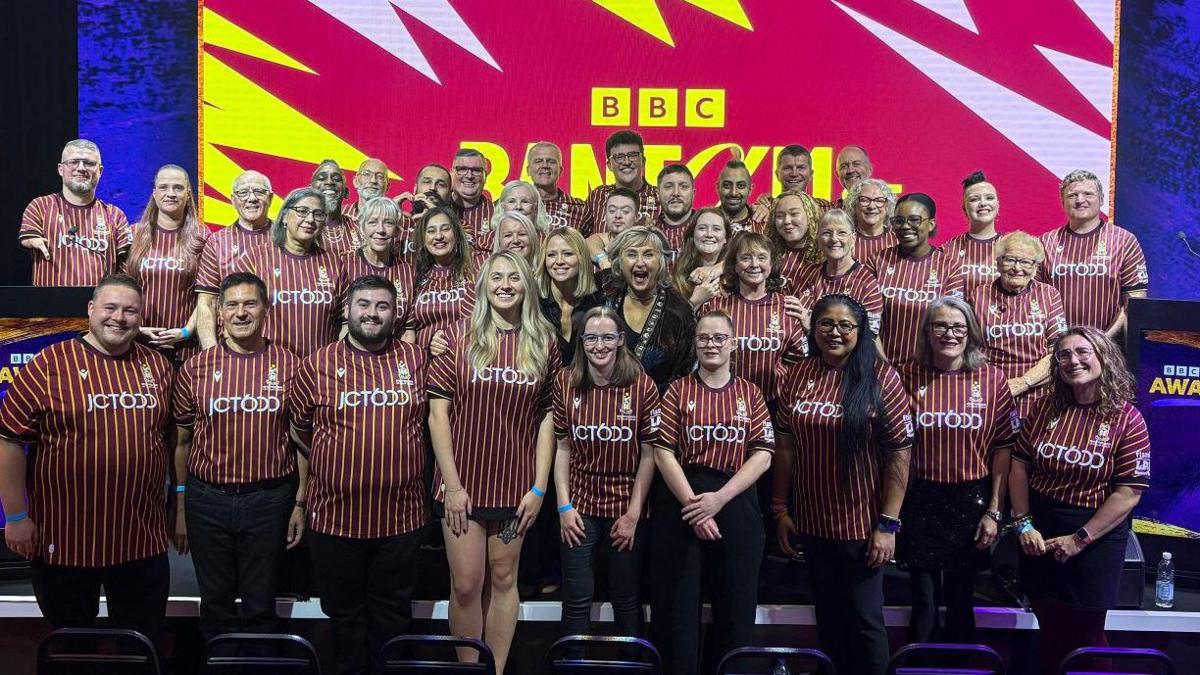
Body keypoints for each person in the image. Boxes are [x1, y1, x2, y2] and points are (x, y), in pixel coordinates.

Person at [0, 274, 174, 640]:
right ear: (91, 310)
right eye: (110, 307)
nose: (119, 318)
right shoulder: (49, 363)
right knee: (72, 647)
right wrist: (15, 516)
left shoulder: (157, 367)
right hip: (64, 542)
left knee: (141, 647)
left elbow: (171, 440)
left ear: (140, 317)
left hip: (139, 541)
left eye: (130, 310)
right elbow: (8, 440)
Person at [291, 275, 432, 675]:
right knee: (345, 622)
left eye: (382, 306)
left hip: (401, 519)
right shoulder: (317, 364)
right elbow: (300, 428)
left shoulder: (416, 359)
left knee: (392, 621)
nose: (372, 313)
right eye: (364, 305)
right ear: (347, 311)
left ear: (396, 313)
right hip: (334, 520)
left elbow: (432, 423)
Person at [428, 251, 558, 674]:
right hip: (462, 483)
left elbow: (548, 419)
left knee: (504, 582)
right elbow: (438, 414)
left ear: (526, 285)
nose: (505, 284)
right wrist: (452, 485)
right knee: (466, 586)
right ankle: (469, 668)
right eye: (496, 276)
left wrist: (539, 487)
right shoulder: (458, 335)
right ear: (483, 283)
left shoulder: (545, 341)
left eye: (514, 277)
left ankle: (497, 669)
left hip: (515, 486)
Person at [772, 294, 913, 675]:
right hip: (812, 522)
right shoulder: (799, 373)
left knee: (865, 622)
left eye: (845, 326)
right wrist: (781, 509)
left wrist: (887, 525)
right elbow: (784, 444)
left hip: (861, 527)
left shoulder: (882, 377)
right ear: (813, 328)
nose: (835, 333)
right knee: (829, 619)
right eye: (826, 324)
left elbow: (900, 454)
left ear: (860, 331)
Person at [171, 272, 304, 641]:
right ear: (219, 313)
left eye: (250, 303)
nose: (241, 312)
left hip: (268, 500)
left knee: (261, 607)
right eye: (232, 304)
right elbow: (181, 441)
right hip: (207, 501)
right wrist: (181, 505)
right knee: (215, 607)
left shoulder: (291, 365)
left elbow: (302, 442)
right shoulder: (196, 368)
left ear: (266, 310)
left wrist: (300, 502)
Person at [1011, 327, 1151, 674]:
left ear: (1103, 356)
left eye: (1082, 351)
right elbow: (1018, 466)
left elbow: (1128, 493)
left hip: (1094, 539)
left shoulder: (1127, 418)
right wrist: (1023, 523)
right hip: (1039, 534)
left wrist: (1080, 539)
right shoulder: (1045, 407)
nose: (1073, 360)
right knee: (1050, 627)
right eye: (1064, 355)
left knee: (1086, 635)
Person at [650, 310, 774, 675]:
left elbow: (763, 455)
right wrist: (695, 506)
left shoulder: (750, 393)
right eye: (704, 338)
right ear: (695, 344)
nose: (711, 344)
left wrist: (719, 500)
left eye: (719, 337)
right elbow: (663, 451)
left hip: (735, 500)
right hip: (683, 502)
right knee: (677, 610)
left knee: (736, 608)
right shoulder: (677, 390)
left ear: (733, 344)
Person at [896, 297, 1017, 645]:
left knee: (962, 601)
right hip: (919, 498)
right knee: (923, 602)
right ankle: (918, 669)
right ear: (926, 332)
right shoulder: (906, 374)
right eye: (940, 326)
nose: (949, 334)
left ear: (970, 332)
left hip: (972, 499)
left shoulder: (992, 378)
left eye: (958, 327)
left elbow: (1003, 449)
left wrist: (995, 510)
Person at [552, 306, 660, 646]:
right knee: (577, 600)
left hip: (626, 505)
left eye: (608, 337)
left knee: (626, 599)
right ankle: (572, 668)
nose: (600, 345)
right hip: (580, 506)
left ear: (620, 340)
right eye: (592, 338)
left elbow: (649, 456)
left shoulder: (643, 385)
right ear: (582, 342)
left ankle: (633, 666)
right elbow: (562, 449)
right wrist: (564, 508)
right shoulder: (565, 382)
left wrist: (632, 514)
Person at [235, 187, 347, 358]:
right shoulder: (254, 259)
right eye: (302, 211)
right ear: (285, 216)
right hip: (267, 367)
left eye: (318, 214)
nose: (310, 219)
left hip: (319, 370)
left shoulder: (335, 263)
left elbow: (345, 321)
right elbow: (234, 317)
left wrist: (332, 360)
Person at [1039, 169, 1148, 338]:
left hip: (1109, 346)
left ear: (1102, 199)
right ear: (1062, 201)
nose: (1080, 200)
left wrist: (1102, 341)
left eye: (1088, 194)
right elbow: (1033, 299)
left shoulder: (1125, 241)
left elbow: (1134, 303)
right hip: (1057, 347)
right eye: (1072, 195)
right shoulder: (1045, 242)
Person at [970, 232, 1068, 420]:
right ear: (998, 262)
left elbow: (1057, 353)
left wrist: (1023, 383)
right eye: (1010, 260)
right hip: (990, 392)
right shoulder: (978, 295)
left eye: (1025, 262)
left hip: (1037, 392)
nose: (1017, 268)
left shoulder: (1049, 295)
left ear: (1035, 267)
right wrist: (990, 385)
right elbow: (970, 350)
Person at [867, 193, 965, 364]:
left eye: (914, 220)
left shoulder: (950, 268)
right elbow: (866, 321)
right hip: (879, 367)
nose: (905, 226)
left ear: (931, 224)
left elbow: (952, 327)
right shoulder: (877, 261)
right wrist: (885, 368)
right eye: (898, 221)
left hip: (930, 370)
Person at [124, 164, 209, 364]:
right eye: (164, 187)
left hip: (186, 349)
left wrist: (186, 331)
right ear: (154, 193)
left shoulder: (203, 237)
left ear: (188, 194)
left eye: (178, 188)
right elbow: (120, 290)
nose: (171, 193)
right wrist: (136, 329)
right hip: (139, 346)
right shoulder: (133, 235)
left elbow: (209, 297)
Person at [20, 139, 131, 286]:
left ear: (100, 171)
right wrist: (31, 240)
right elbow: (28, 236)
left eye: (89, 163)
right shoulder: (41, 206)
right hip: (49, 305)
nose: (81, 168)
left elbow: (126, 269)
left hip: (99, 306)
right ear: (60, 169)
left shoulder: (115, 216)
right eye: (73, 162)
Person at [604, 227, 696, 391]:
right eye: (631, 254)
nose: (640, 262)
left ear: (661, 261)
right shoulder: (605, 292)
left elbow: (684, 376)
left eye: (648, 254)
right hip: (603, 405)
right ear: (619, 261)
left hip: (658, 409)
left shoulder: (679, 312)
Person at [195, 170, 275, 349]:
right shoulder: (217, 242)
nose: (252, 198)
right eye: (243, 192)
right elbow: (207, 302)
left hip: (278, 346)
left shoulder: (286, 238)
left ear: (270, 198)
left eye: (259, 192)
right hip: (230, 348)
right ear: (232, 200)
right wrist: (212, 353)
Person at [790, 209, 885, 337]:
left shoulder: (867, 283)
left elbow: (870, 337)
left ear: (853, 238)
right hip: (807, 355)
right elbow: (793, 322)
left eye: (842, 233)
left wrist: (811, 329)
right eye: (827, 233)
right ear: (818, 238)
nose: (834, 239)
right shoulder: (807, 273)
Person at [344, 197, 416, 342]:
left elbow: (408, 330)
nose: (381, 230)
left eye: (388, 223)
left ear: (397, 231)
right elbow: (340, 324)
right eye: (373, 222)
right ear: (362, 228)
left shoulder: (406, 270)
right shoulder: (344, 264)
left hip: (392, 358)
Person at [404, 206, 476, 349]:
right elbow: (407, 331)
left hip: (467, 357)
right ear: (423, 239)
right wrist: (428, 341)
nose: (438, 236)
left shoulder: (476, 270)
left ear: (456, 233)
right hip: (426, 360)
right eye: (431, 231)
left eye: (445, 229)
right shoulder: (413, 276)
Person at [539, 227, 606, 365]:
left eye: (568, 254)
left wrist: (603, 259)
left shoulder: (598, 298)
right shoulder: (534, 301)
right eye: (551, 255)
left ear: (582, 258)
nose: (559, 261)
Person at [581, 130, 660, 236]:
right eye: (619, 157)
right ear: (609, 165)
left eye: (633, 155)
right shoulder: (597, 195)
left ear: (643, 161)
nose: (626, 162)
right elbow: (579, 238)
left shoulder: (659, 196)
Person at [944, 171, 1002, 291]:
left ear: (997, 206)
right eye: (974, 199)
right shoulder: (948, 250)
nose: (983, 203)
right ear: (964, 209)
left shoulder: (1012, 247)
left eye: (989, 198)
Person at [749, 145, 833, 228]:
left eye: (800, 168)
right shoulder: (763, 208)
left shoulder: (826, 208)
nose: (794, 173)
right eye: (787, 168)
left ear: (811, 174)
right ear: (777, 174)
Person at [670, 207, 731, 308]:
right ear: (692, 235)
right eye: (702, 228)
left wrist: (714, 269)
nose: (709, 234)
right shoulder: (678, 273)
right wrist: (696, 300)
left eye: (716, 229)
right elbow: (673, 322)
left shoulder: (736, 272)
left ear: (725, 238)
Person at [393, 163, 453, 259]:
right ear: (415, 189)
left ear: (450, 195)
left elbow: (464, 253)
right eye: (427, 182)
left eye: (441, 184)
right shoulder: (399, 221)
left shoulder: (461, 226)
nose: (432, 188)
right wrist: (389, 213)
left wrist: (435, 215)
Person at [765, 190, 822, 291]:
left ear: (810, 215)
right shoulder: (766, 254)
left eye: (794, 214)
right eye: (780, 216)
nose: (787, 221)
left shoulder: (825, 255)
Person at [527, 142, 587, 230]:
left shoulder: (580, 209)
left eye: (551, 161)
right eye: (538, 161)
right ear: (528, 170)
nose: (545, 165)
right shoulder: (512, 205)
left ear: (560, 170)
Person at [312, 159, 358, 256]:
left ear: (346, 192)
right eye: (321, 178)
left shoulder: (361, 229)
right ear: (310, 191)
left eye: (336, 179)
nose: (329, 182)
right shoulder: (298, 228)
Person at [846, 178, 897, 265]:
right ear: (854, 205)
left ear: (887, 206)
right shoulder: (845, 240)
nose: (872, 206)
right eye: (864, 200)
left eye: (879, 200)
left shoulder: (897, 239)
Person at [450, 148, 495, 246]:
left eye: (476, 170)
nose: (469, 176)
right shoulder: (438, 209)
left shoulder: (497, 213)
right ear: (451, 173)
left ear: (485, 176)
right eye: (462, 169)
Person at [584, 187, 641, 263]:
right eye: (612, 211)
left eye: (625, 211)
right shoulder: (598, 239)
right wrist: (603, 260)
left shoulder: (645, 242)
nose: (618, 215)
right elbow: (590, 242)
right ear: (605, 214)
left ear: (636, 217)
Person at [653, 164, 698, 258]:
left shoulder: (708, 229)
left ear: (693, 194)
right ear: (658, 194)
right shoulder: (648, 232)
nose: (676, 193)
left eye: (683, 187)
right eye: (669, 187)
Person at [342, 157, 390, 225]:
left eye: (380, 176)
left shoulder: (398, 219)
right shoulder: (338, 215)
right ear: (356, 182)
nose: (373, 180)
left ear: (387, 186)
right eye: (367, 174)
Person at [717, 160, 754, 231]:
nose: (733, 193)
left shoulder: (764, 223)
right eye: (727, 185)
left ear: (750, 189)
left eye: (740, 186)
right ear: (718, 188)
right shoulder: (705, 222)